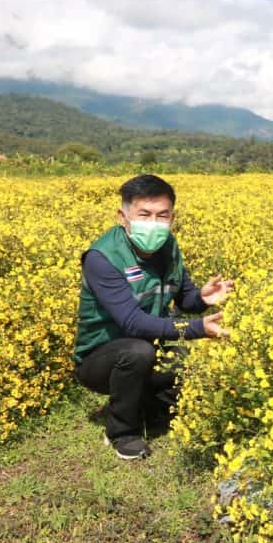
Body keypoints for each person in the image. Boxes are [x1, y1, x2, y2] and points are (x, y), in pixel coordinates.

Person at [73, 174, 233, 460]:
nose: (154, 223)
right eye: (144, 214)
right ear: (123, 217)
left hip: (149, 345)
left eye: (162, 215)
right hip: (101, 358)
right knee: (138, 351)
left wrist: (202, 298)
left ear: (172, 217)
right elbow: (133, 323)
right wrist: (197, 328)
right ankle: (122, 432)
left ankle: (140, 404)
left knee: (182, 358)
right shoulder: (103, 257)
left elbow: (184, 297)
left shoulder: (168, 247)